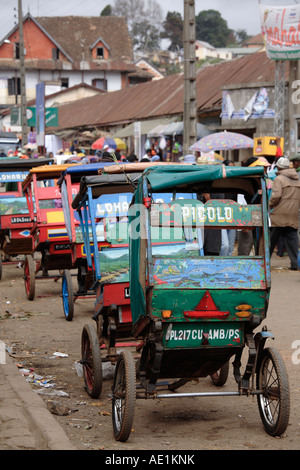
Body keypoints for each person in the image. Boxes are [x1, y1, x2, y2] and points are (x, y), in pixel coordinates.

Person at [269, 157, 300, 270]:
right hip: (293, 214)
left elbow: (276, 196)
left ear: (278, 167)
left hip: (279, 214)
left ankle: (265, 263)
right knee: (292, 241)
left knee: (271, 241)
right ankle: (295, 264)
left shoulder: (279, 179)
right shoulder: (297, 179)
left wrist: (269, 205)